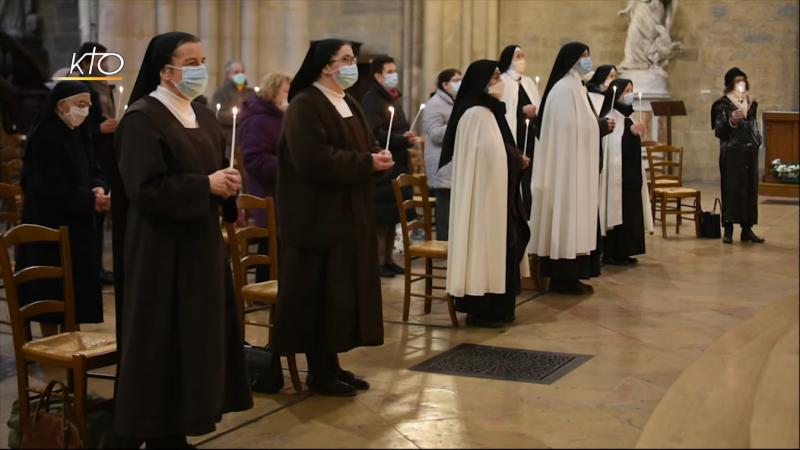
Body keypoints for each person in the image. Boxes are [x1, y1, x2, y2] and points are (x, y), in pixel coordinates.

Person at [111, 31, 252, 447]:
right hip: (159, 249)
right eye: (191, 63)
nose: (200, 70)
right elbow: (145, 189)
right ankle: (156, 431)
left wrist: (227, 185)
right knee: (161, 340)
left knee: (193, 337)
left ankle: (179, 427)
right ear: (165, 70)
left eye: (202, 61)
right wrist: (204, 185)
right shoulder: (142, 118)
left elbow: (210, 175)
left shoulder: (203, 115)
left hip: (200, 246)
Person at [273, 39, 393, 397]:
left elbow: (364, 146)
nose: (352, 65)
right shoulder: (305, 105)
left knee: (339, 294)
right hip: (316, 218)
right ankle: (318, 371)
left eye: (353, 59)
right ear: (325, 66)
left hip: (348, 215)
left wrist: (377, 158)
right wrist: (365, 163)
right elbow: (313, 159)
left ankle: (332, 364)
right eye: (346, 59)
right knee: (317, 293)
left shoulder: (349, 102)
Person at [439, 59, 531, 328]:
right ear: (480, 82)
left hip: (499, 196)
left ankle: (500, 308)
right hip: (483, 201)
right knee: (485, 250)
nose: (499, 82)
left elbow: (499, 150)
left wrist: (515, 159)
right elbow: (486, 156)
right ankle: (482, 309)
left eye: (499, 76)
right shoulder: (474, 113)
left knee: (505, 248)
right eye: (493, 78)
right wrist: (515, 159)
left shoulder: (490, 111)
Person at [16, 81, 109, 334]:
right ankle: (50, 342)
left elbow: (94, 166)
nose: (86, 110)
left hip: (76, 221)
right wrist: (92, 200)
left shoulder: (78, 129)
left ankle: (71, 336)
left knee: (75, 288)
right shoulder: (45, 136)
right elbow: (49, 188)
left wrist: (98, 187)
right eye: (80, 105)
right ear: (61, 106)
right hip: (48, 223)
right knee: (50, 290)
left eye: (89, 105)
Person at [528, 42, 616, 295]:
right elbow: (567, 130)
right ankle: (562, 277)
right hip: (566, 171)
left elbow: (581, 125)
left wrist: (596, 126)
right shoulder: (564, 89)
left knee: (577, 218)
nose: (588, 60)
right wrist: (596, 127)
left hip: (577, 166)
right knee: (566, 219)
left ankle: (573, 274)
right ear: (572, 60)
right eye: (584, 56)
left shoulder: (576, 87)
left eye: (589, 55)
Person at [361, 54, 418, 278]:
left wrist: (406, 136)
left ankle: (388, 259)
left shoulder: (392, 97)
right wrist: (402, 139)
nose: (394, 75)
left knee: (394, 216)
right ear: (377, 75)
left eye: (395, 71)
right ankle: (378, 261)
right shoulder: (373, 99)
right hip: (384, 166)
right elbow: (373, 133)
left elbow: (397, 127)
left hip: (398, 164)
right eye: (389, 72)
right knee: (382, 219)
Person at [74, 41, 119, 286]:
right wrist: (99, 128)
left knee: (101, 215)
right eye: (99, 61)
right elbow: (75, 126)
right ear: (85, 63)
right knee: (92, 215)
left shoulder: (104, 86)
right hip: (91, 155)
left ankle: (98, 266)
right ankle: (90, 268)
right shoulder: (79, 86)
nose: (104, 65)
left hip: (106, 156)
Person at [598, 78, 654, 265]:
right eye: (626, 90)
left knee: (631, 213)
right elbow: (611, 145)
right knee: (619, 213)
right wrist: (628, 132)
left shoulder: (627, 117)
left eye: (632, 89)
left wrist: (634, 132)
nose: (630, 93)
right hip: (617, 178)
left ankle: (626, 251)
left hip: (631, 176)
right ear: (618, 94)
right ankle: (613, 252)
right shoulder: (610, 115)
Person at [711, 67, 764, 244]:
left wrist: (757, 139)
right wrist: (732, 121)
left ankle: (747, 229)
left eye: (743, 79)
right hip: (732, 153)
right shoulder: (723, 104)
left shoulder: (750, 101)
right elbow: (719, 131)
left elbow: (753, 124)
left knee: (749, 189)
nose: (741, 83)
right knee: (731, 189)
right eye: (737, 80)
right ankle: (728, 229)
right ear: (729, 83)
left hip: (749, 153)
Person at [239, 71, 292, 219]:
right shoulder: (257, 120)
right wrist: (292, 164)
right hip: (268, 196)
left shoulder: (279, 115)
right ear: (273, 91)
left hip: (283, 193)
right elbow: (255, 160)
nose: (291, 95)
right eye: (287, 91)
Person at [498, 45, 541, 218]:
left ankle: (533, 212)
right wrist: (522, 110)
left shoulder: (528, 82)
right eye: (518, 56)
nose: (521, 59)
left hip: (531, 136)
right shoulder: (502, 81)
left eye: (523, 55)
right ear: (508, 59)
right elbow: (505, 109)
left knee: (532, 174)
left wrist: (536, 109)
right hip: (515, 135)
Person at [422, 68, 461, 241]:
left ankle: (451, 245)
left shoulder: (453, 102)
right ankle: (443, 245)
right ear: (445, 85)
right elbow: (434, 133)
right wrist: (457, 124)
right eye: (456, 80)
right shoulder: (435, 103)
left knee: (454, 209)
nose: (459, 82)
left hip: (451, 163)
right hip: (441, 163)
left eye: (461, 79)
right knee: (444, 208)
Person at [211, 60, 254, 157]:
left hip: (249, 140)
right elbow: (218, 115)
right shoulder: (221, 93)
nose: (240, 75)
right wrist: (243, 115)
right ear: (228, 75)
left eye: (242, 72)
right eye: (236, 72)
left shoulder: (250, 92)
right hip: (230, 141)